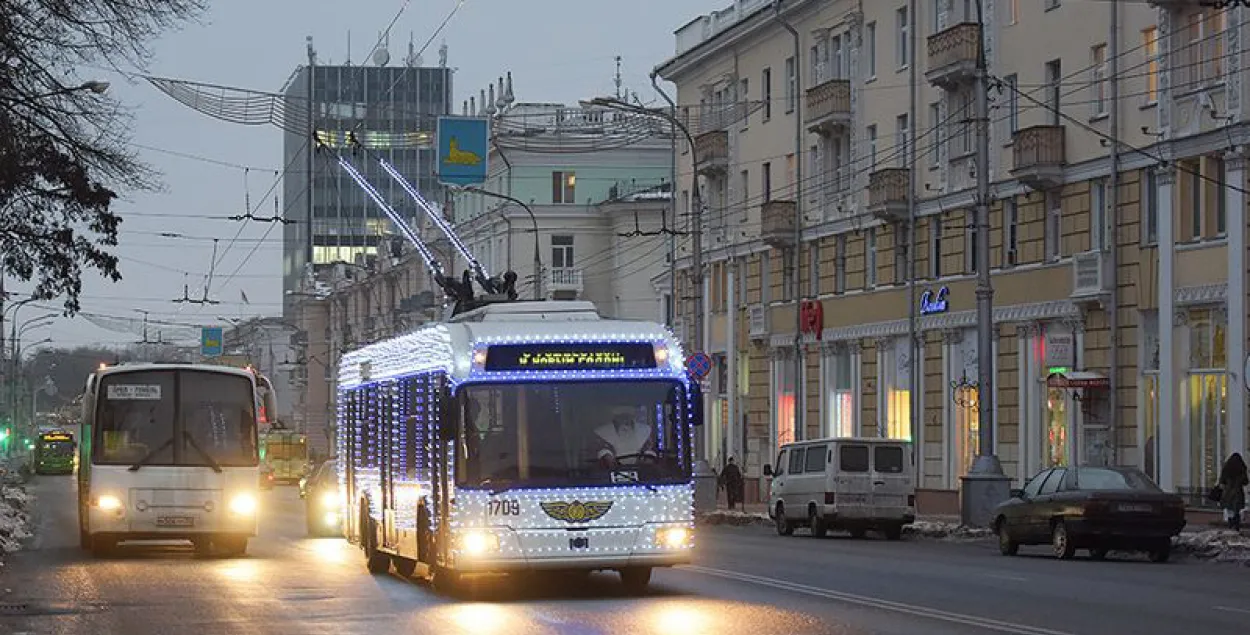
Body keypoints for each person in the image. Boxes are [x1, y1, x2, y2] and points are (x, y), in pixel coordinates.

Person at [1217, 452, 1248, 531]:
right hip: (1238, 492)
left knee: (1230, 510)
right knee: (1236, 510)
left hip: (1228, 493)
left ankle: (1230, 526)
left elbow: (1222, 481)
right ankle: (1236, 527)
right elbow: (1245, 482)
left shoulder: (1226, 468)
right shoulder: (1242, 468)